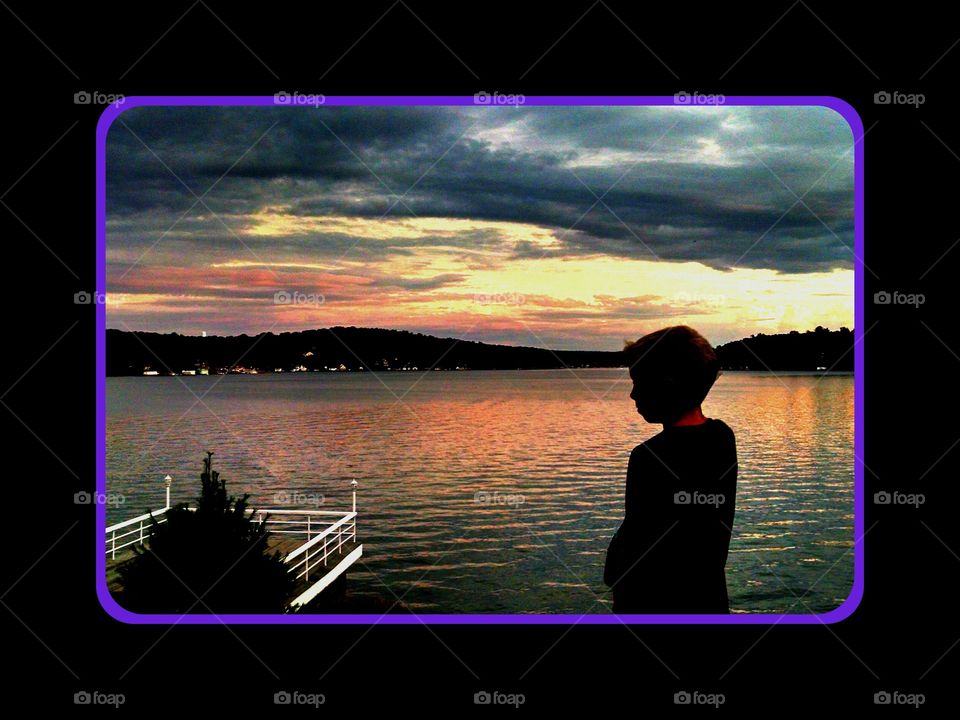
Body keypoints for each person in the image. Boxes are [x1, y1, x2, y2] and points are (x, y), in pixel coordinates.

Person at [604, 325, 738, 613]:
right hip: (708, 600)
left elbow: (635, 544)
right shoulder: (723, 438)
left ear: (667, 384)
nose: (632, 394)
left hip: (653, 606)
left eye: (639, 382)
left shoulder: (647, 457)